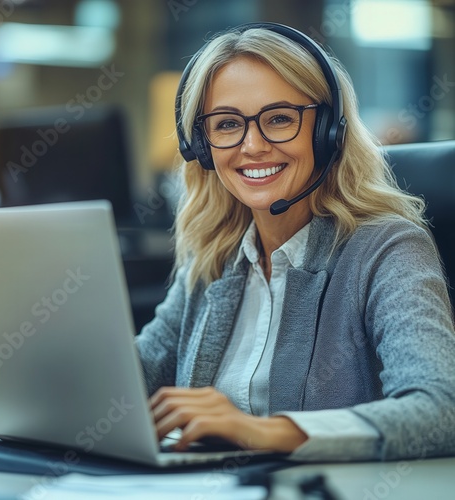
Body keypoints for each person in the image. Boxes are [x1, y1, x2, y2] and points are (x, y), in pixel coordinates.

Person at [135, 23, 455, 461]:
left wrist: (261, 431)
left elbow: (441, 410)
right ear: (202, 146)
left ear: (327, 131)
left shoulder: (387, 249)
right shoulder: (214, 258)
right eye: (227, 124)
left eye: (280, 119)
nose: (252, 146)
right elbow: (132, 376)